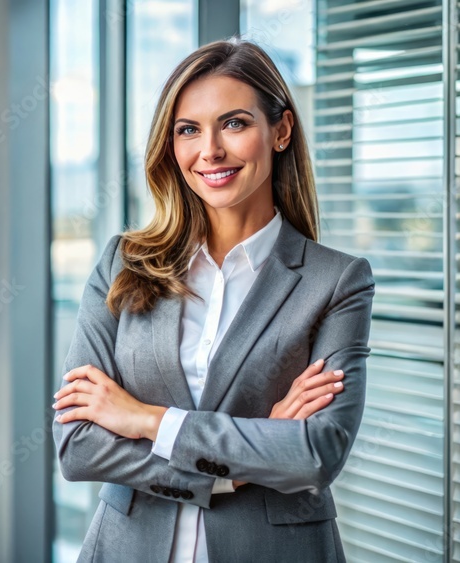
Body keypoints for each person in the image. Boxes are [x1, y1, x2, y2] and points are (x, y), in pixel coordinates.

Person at [52, 38, 375, 562]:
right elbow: (77, 445)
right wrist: (233, 474)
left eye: (234, 123)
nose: (210, 151)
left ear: (281, 131)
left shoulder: (334, 281)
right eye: (188, 130)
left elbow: (316, 452)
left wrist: (145, 420)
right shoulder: (125, 264)